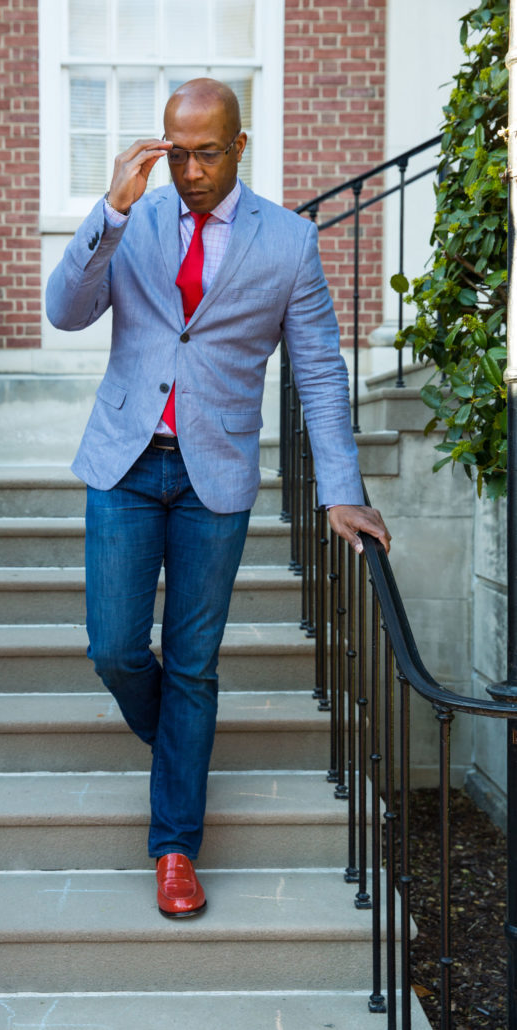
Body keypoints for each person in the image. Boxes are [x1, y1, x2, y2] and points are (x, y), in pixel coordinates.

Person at [46, 78, 390, 919]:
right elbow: (64, 312)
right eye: (177, 151)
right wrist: (110, 213)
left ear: (240, 146)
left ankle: (174, 848)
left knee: (193, 664)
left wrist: (340, 491)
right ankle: (179, 747)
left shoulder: (291, 242)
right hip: (126, 463)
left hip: (216, 477)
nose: (189, 170)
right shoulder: (136, 218)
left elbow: (316, 369)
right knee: (116, 647)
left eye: (206, 153)